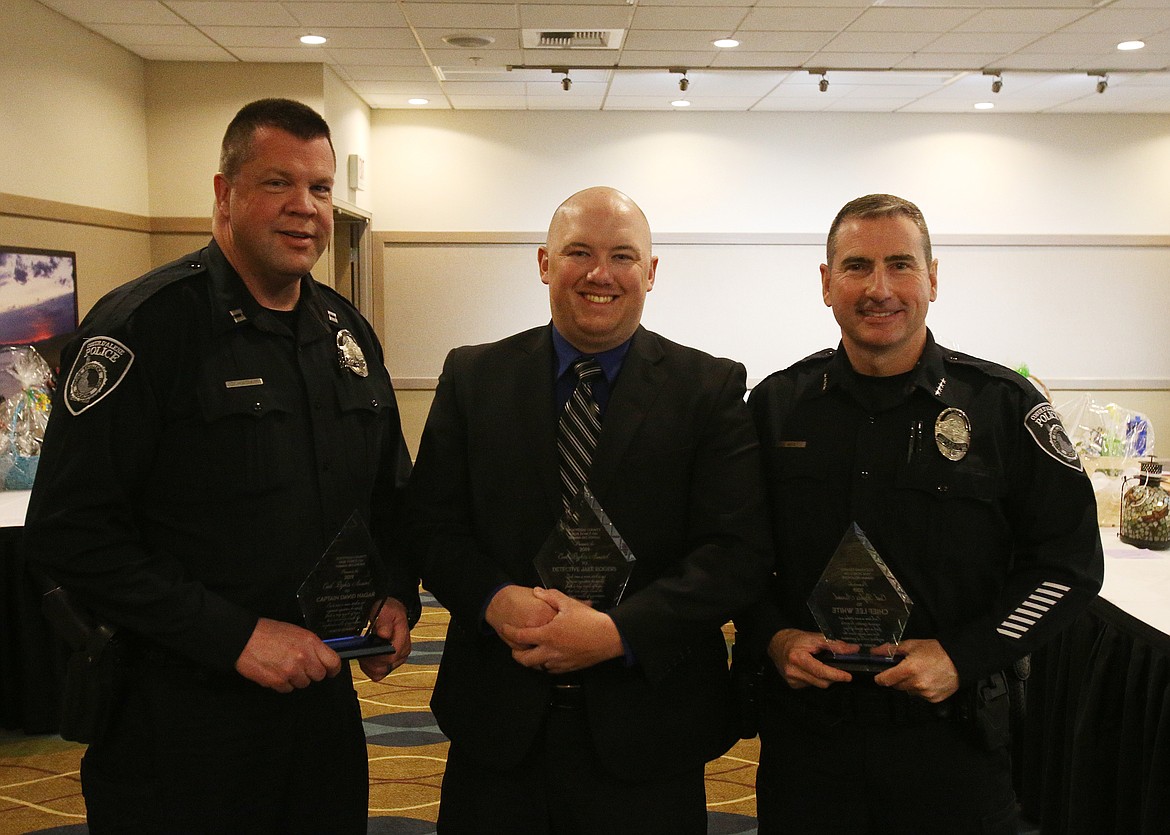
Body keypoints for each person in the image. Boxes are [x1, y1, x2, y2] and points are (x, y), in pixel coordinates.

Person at [24, 98, 418, 833]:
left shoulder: (346, 333)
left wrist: (395, 594)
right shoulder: (143, 328)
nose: (305, 208)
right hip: (180, 713)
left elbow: (389, 493)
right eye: (278, 183)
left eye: (322, 188)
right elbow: (69, 533)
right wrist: (234, 636)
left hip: (321, 706)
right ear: (223, 192)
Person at [406, 186, 773, 833]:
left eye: (622, 255)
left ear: (651, 272)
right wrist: (493, 599)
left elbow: (735, 555)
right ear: (544, 262)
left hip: (649, 730)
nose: (600, 273)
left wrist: (617, 632)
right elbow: (431, 527)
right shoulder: (473, 378)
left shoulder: (709, 390)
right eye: (579, 251)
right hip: (498, 723)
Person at [740, 193, 1105, 834]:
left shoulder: (1003, 410)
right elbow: (734, 552)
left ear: (933, 278)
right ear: (826, 284)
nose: (880, 288)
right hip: (809, 741)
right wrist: (773, 635)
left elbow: (1067, 568)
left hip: (952, 739)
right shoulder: (775, 408)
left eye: (901, 265)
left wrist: (965, 656)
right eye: (856, 266)